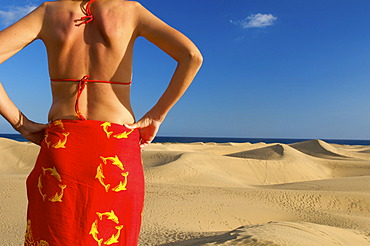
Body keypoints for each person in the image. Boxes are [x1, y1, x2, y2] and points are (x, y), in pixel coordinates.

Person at [0, 0, 203, 245]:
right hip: (116, 149)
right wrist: (156, 114)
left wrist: (19, 122)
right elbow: (191, 56)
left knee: (54, 234)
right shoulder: (131, 11)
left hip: (63, 146)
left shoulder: (49, 12)